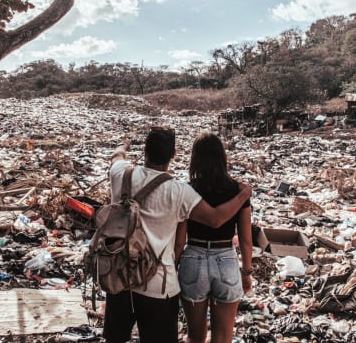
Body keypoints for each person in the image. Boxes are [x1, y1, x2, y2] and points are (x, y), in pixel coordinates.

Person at [103, 126, 253, 343]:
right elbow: (217, 220)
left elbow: (117, 157)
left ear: (145, 151)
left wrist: (123, 147)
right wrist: (243, 196)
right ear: (172, 155)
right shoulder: (180, 192)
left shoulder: (121, 173)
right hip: (159, 285)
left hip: (120, 277)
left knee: (117, 339)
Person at [175, 132, 253, 343]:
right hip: (226, 260)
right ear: (222, 157)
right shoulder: (238, 191)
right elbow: (246, 239)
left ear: (195, 158)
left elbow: (180, 241)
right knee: (223, 335)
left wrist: (173, 267)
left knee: (195, 335)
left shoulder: (188, 190)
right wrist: (246, 272)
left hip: (193, 258)